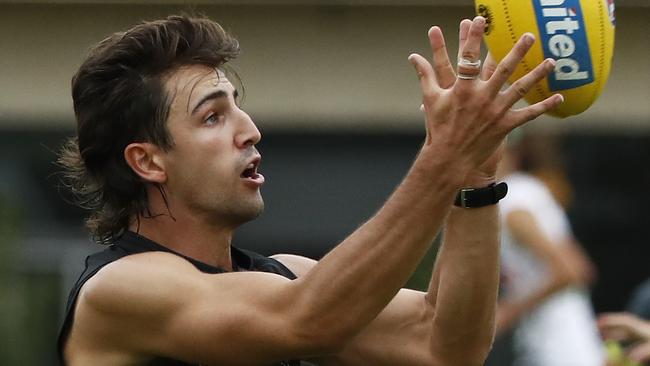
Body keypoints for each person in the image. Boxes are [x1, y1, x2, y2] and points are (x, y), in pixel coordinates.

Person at [56, 14, 563, 366]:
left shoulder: (283, 279)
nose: (249, 129)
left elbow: (445, 347)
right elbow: (309, 319)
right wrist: (444, 159)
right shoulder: (120, 290)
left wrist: (473, 178)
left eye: (237, 105)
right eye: (212, 116)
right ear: (148, 161)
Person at [495, 137, 605, 366]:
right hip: (566, 341)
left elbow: (571, 271)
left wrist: (507, 312)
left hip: (558, 346)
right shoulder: (528, 190)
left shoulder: (512, 201)